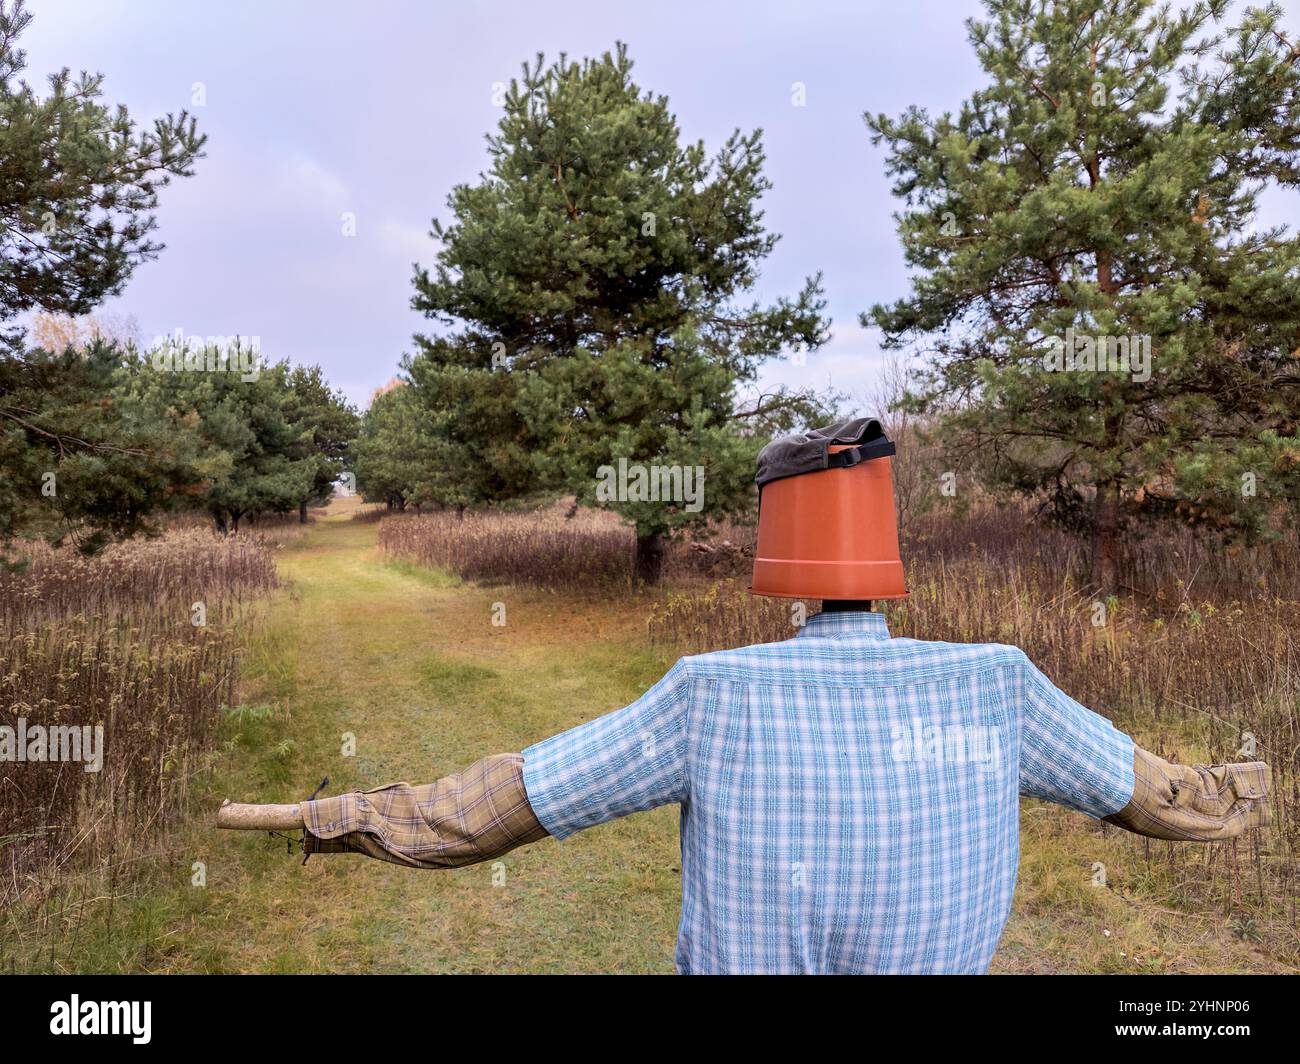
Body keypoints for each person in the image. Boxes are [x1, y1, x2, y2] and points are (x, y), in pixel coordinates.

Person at [249, 418, 1272, 974]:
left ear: (773, 551)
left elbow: (498, 807)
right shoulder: (999, 683)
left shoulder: (713, 693)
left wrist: (331, 815)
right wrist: (1249, 787)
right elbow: (1164, 798)